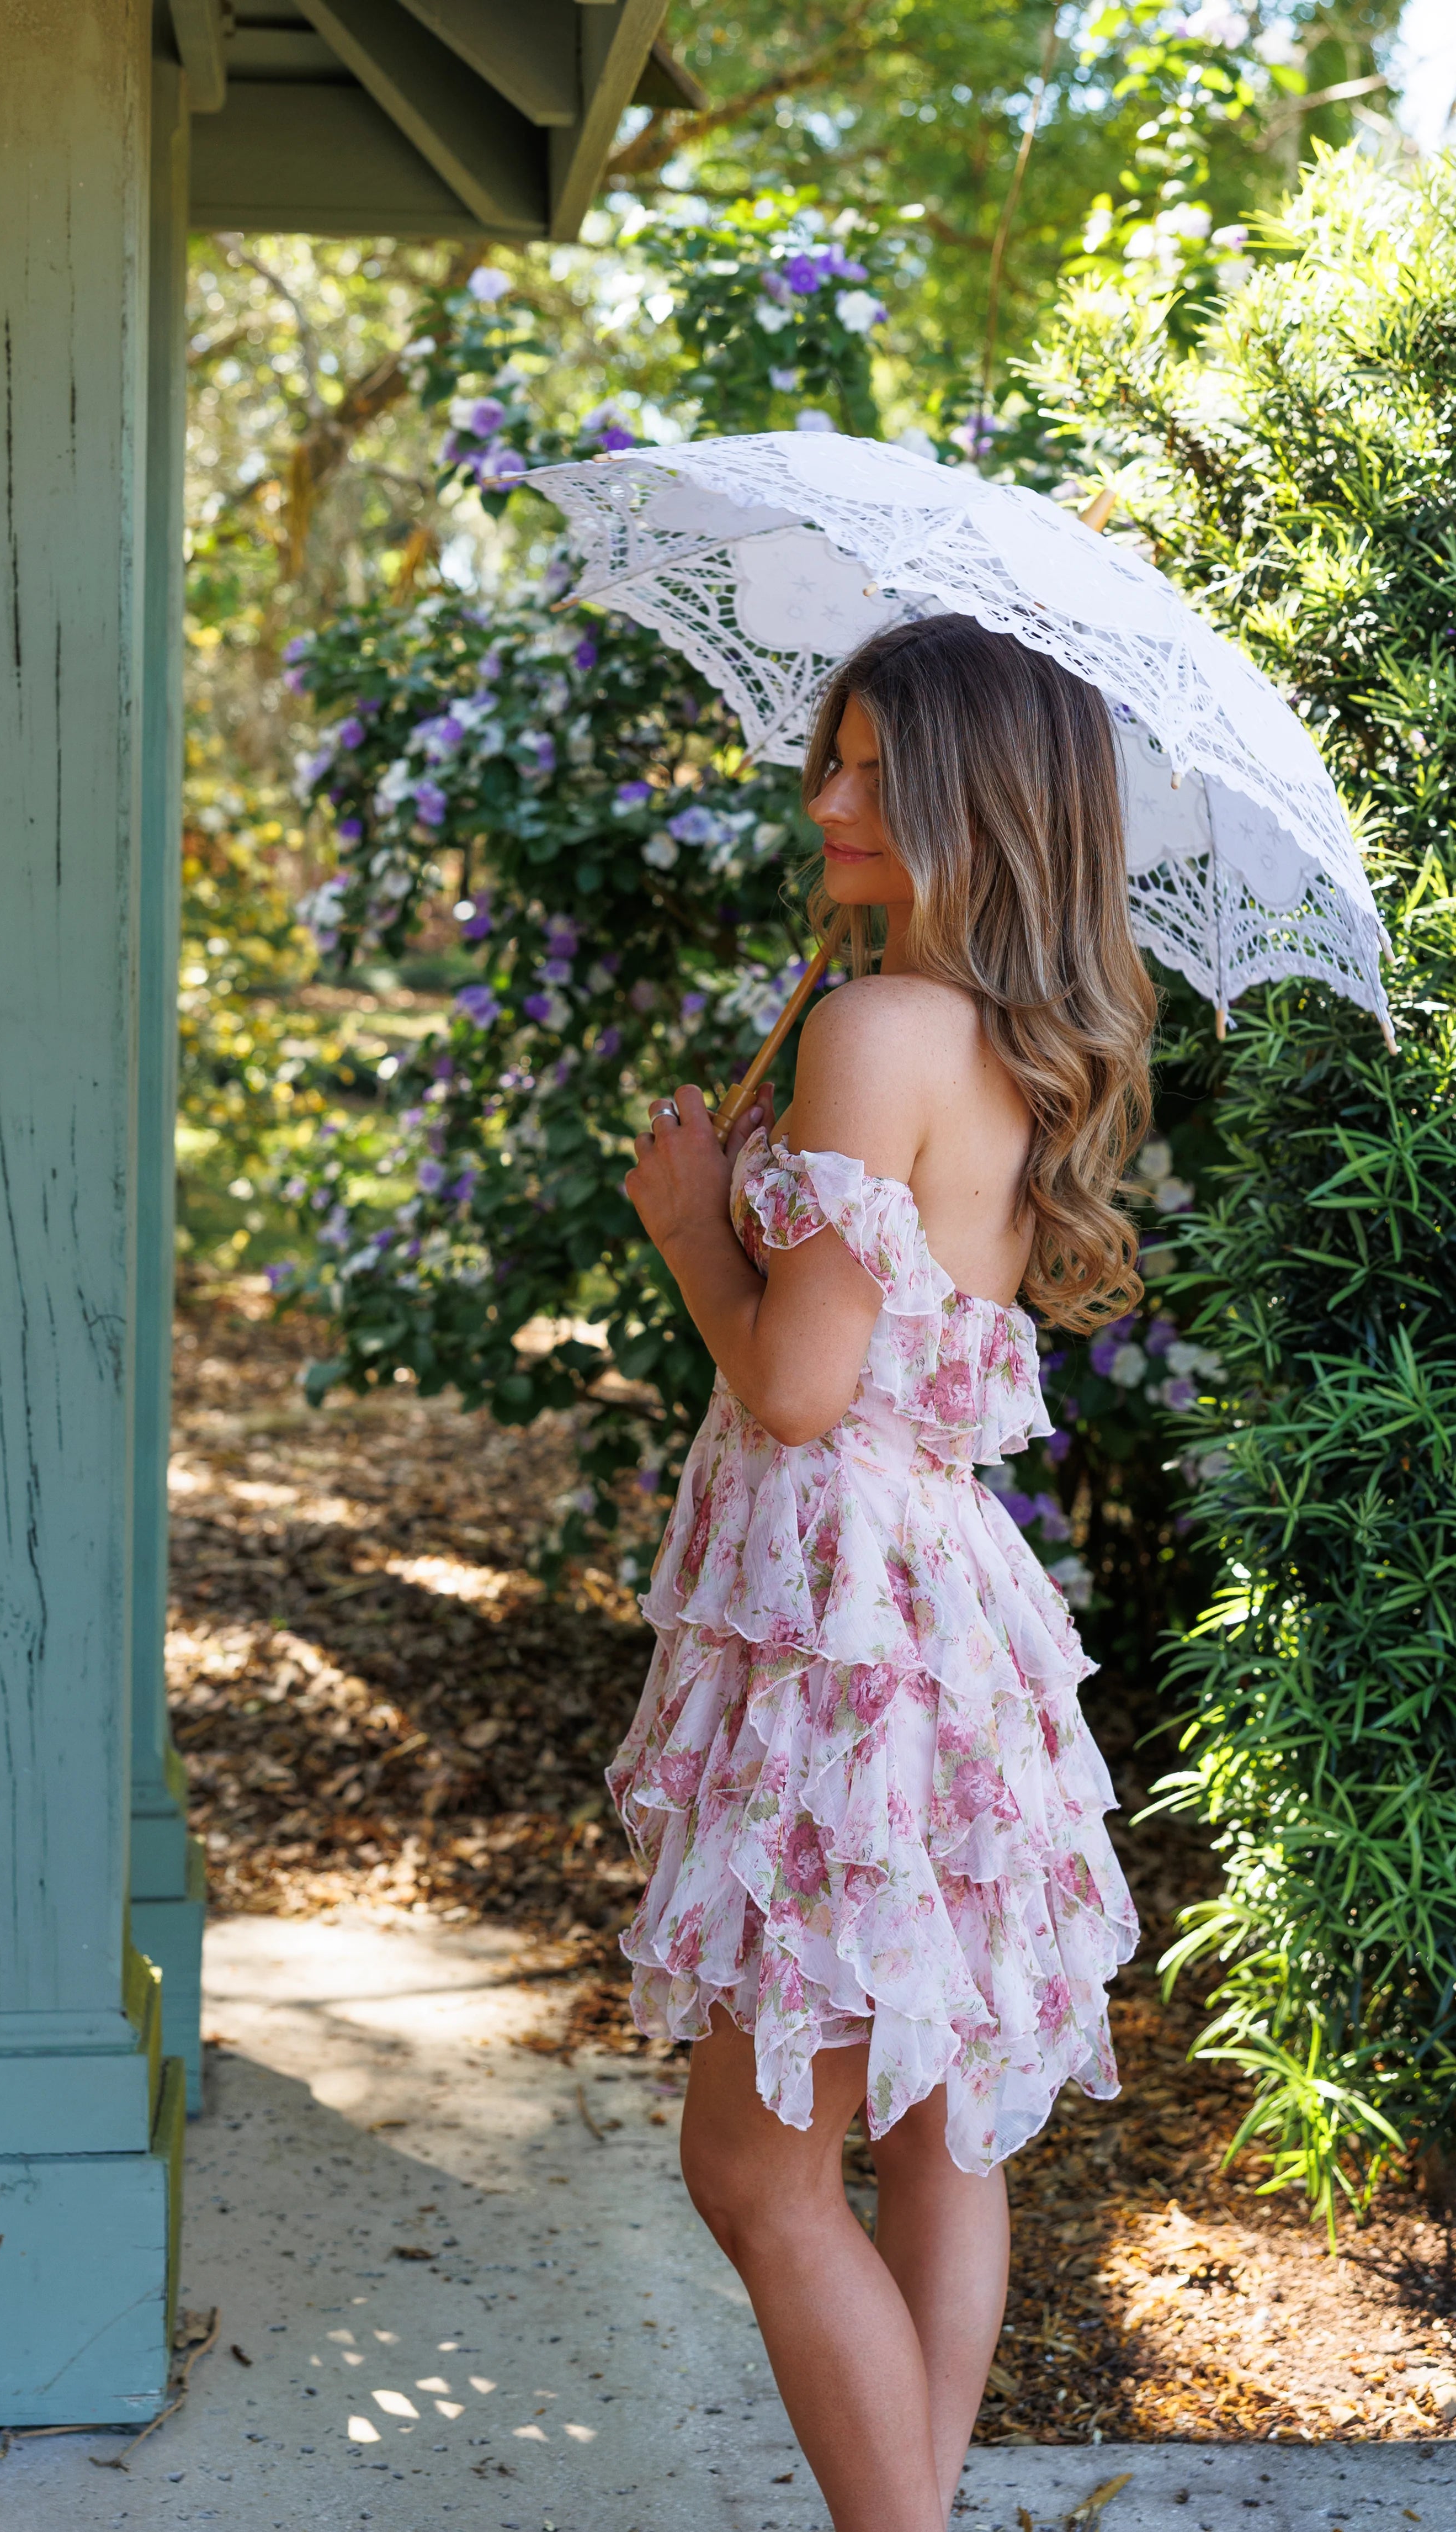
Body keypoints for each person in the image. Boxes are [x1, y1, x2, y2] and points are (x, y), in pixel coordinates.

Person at [610, 613, 1156, 2532]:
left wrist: (697, 1225)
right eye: (830, 759)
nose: (829, 797)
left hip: (842, 1631)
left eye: (870, 768)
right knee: (936, 2131)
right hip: (940, 1612)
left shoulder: (869, 1028)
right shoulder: (997, 1037)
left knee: (757, 2174)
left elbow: (794, 1384)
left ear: (974, 801)